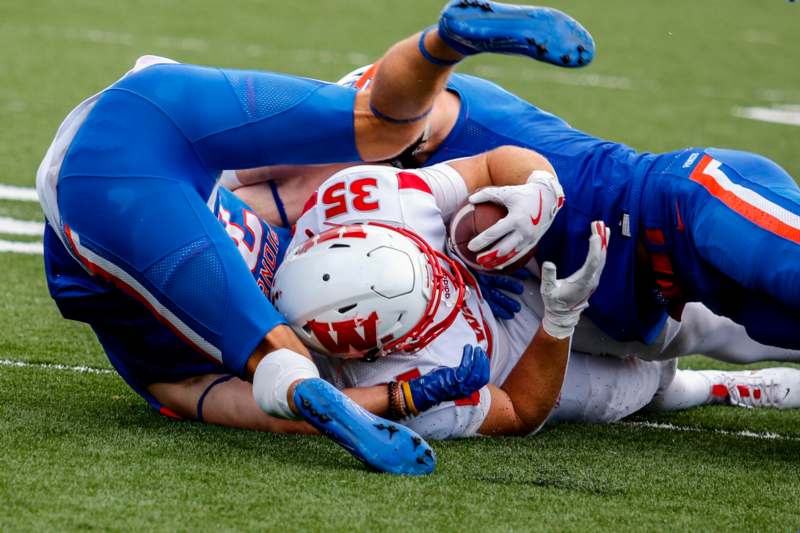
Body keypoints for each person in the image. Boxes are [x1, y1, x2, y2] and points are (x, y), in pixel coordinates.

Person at [36, 1, 595, 474]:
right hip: (149, 109)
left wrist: (404, 396)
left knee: (282, 360)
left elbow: (270, 413)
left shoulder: (186, 366)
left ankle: (446, 42)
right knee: (381, 124)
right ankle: (439, 44)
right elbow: (264, 409)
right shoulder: (290, 257)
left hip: (116, 177)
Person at [228, 63, 800, 359]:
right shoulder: (346, 209)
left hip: (679, 204)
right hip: (636, 298)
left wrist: (535, 195)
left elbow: (408, 108)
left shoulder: (427, 118)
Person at [268, 154, 800, 439]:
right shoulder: (389, 383)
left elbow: (493, 164)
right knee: (637, 387)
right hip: (506, 365)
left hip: (513, 284)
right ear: (373, 351)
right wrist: (559, 323)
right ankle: (715, 387)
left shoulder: (368, 201)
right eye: (425, 307)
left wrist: (535, 193)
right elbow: (518, 410)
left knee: (674, 329)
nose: (441, 288)